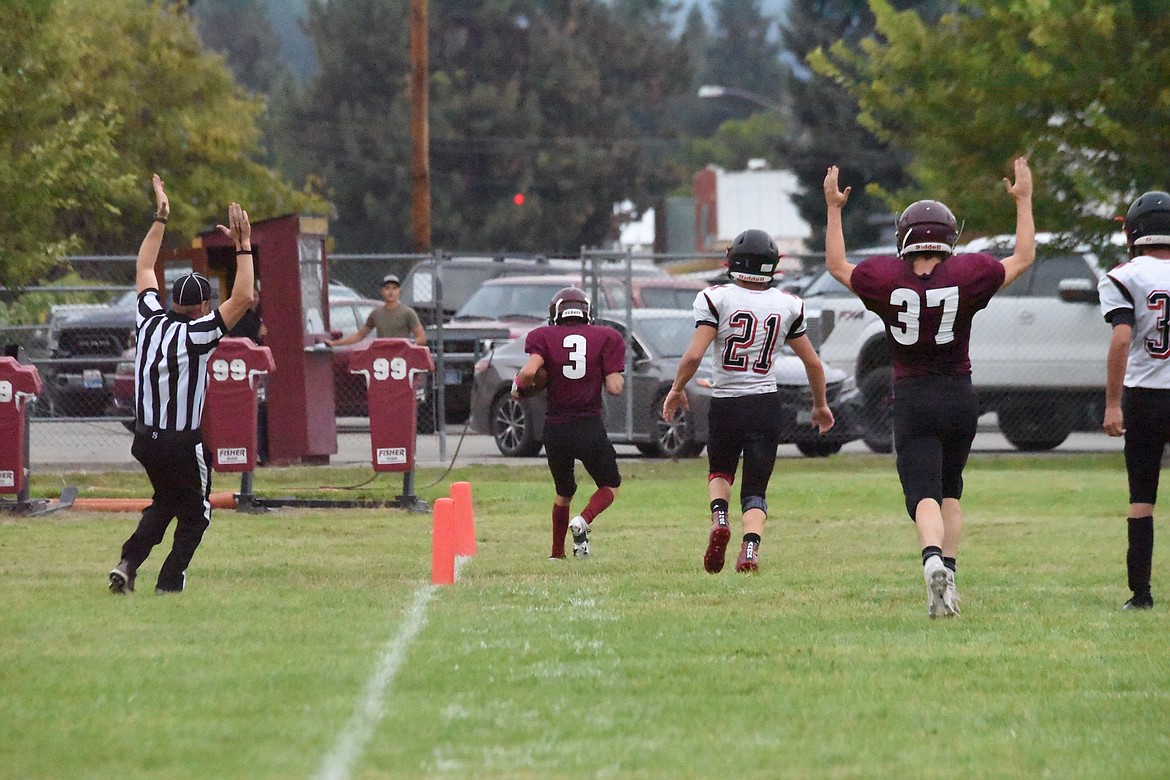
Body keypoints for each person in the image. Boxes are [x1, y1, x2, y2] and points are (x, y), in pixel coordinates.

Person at [822, 157, 1034, 617]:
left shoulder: (885, 278)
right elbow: (1023, 257)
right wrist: (1023, 201)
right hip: (959, 395)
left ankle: (932, 559)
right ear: (948, 237)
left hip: (913, 396)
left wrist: (834, 209)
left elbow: (837, 265)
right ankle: (950, 575)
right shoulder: (969, 273)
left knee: (922, 495)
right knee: (951, 490)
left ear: (904, 238)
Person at [108, 175, 256, 595]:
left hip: (145, 439)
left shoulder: (151, 320)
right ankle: (170, 581)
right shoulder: (199, 333)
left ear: (172, 300)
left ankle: (127, 562)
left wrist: (160, 218)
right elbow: (243, 296)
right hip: (180, 440)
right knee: (198, 512)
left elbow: (142, 267)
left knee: (168, 502)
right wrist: (243, 245)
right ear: (205, 305)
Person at [663, 230, 834, 575]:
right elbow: (813, 363)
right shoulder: (787, 304)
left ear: (734, 262)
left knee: (720, 471)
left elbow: (694, 355)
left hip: (726, 401)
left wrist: (677, 388)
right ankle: (750, 550)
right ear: (772, 266)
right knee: (756, 487)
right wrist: (820, 405)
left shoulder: (717, 298)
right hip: (765, 403)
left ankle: (720, 518)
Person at [514, 287, 626, 559]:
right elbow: (614, 387)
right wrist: (606, 373)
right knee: (610, 486)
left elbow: (529, 371)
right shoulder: (606, 336)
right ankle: (584, 520)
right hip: (589, 425)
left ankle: (556, 553)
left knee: (563, 492)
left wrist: (518, 388)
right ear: (587, 312)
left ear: (556, 314)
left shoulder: (543, 336)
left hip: (556, 428)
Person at [1098, 190, 1170, 610]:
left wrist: (1111, 403)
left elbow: (1122, 336)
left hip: (1145, 397)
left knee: (1142, 498)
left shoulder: (1125, 275)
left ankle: (1140, 593)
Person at [324, 273, 426, 347]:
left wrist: (406, 344)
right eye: (387, 288)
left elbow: (421, 338)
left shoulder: (408, 313)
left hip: (402, 358)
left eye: (394, 288)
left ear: (399, 291)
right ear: (381, 291)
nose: (391, 292)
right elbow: (359, 336)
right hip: (382, 358)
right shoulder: (376, 314)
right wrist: (335, 343)